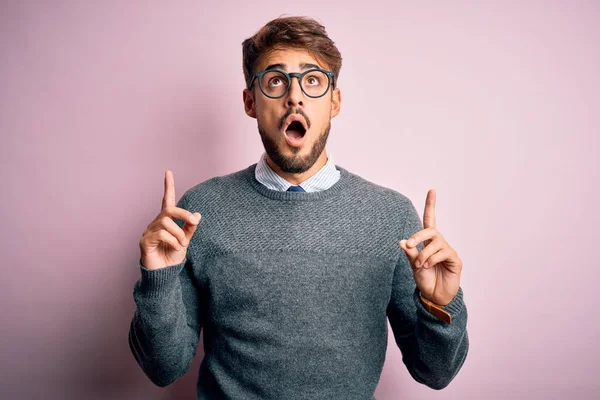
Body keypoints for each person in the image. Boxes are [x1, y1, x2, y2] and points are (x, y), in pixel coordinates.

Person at [128, 15, 469, 400]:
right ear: (250, 102)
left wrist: (440, 305)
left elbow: (436, 373)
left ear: (334, 101)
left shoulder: (390, 216)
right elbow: (162, 368)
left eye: (312, 80)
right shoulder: (198, 214)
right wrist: (157, 282)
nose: (295, 96)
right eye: (275, 81)